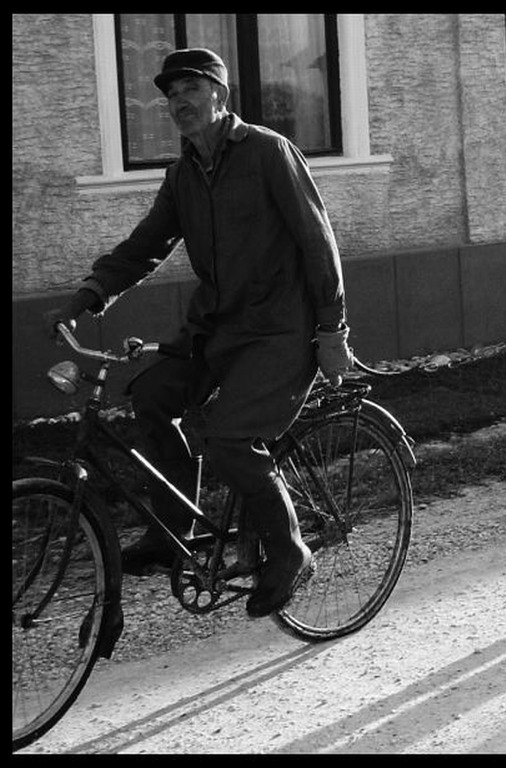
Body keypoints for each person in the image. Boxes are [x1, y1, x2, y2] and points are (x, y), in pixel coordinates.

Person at [44, 48, 354, 618]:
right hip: (215, 329)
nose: (178, 102)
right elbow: (146, 247)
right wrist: (89, 295)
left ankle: (290, 551)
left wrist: (332, 328)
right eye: (170, 94)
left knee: (232, 440)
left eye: (190, 88)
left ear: (220, 94)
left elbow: (318, 241)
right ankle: (173, 530)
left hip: (279, 330)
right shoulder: (182, 174)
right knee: (152, 397)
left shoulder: (267, 152)